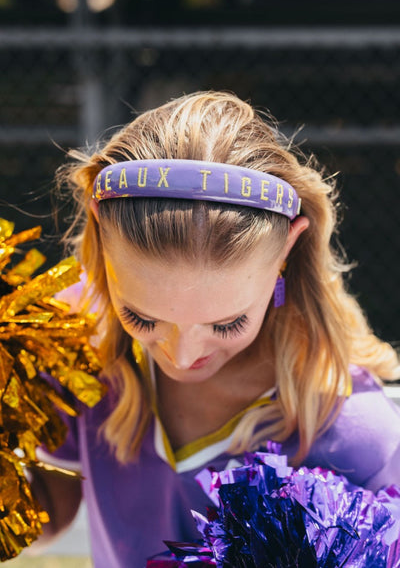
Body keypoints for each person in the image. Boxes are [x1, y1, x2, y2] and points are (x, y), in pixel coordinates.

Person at [32, 91, 399, 567]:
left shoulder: (353, 432)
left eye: (227, 323)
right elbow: (49, 506)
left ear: (285, 254)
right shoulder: (77, 346)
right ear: (101, 236)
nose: (182, 356)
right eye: (143, 318)